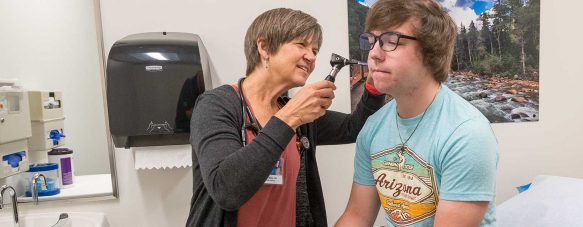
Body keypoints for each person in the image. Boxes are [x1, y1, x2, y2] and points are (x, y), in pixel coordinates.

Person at [185, 8, 385, 227]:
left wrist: (374, 87)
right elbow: (227, 190)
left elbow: (353, 128)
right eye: (301, 45)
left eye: (315, 50)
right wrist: (289, 118)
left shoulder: (297, 114)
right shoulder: (216, 105)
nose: (311, 56)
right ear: (264, 47)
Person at [335, 0, 499, 226]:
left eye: (390, 41)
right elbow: (357, 217)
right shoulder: (373, 127)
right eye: (371, 41)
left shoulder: (467, 134)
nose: (374, 54)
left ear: (431, 52)